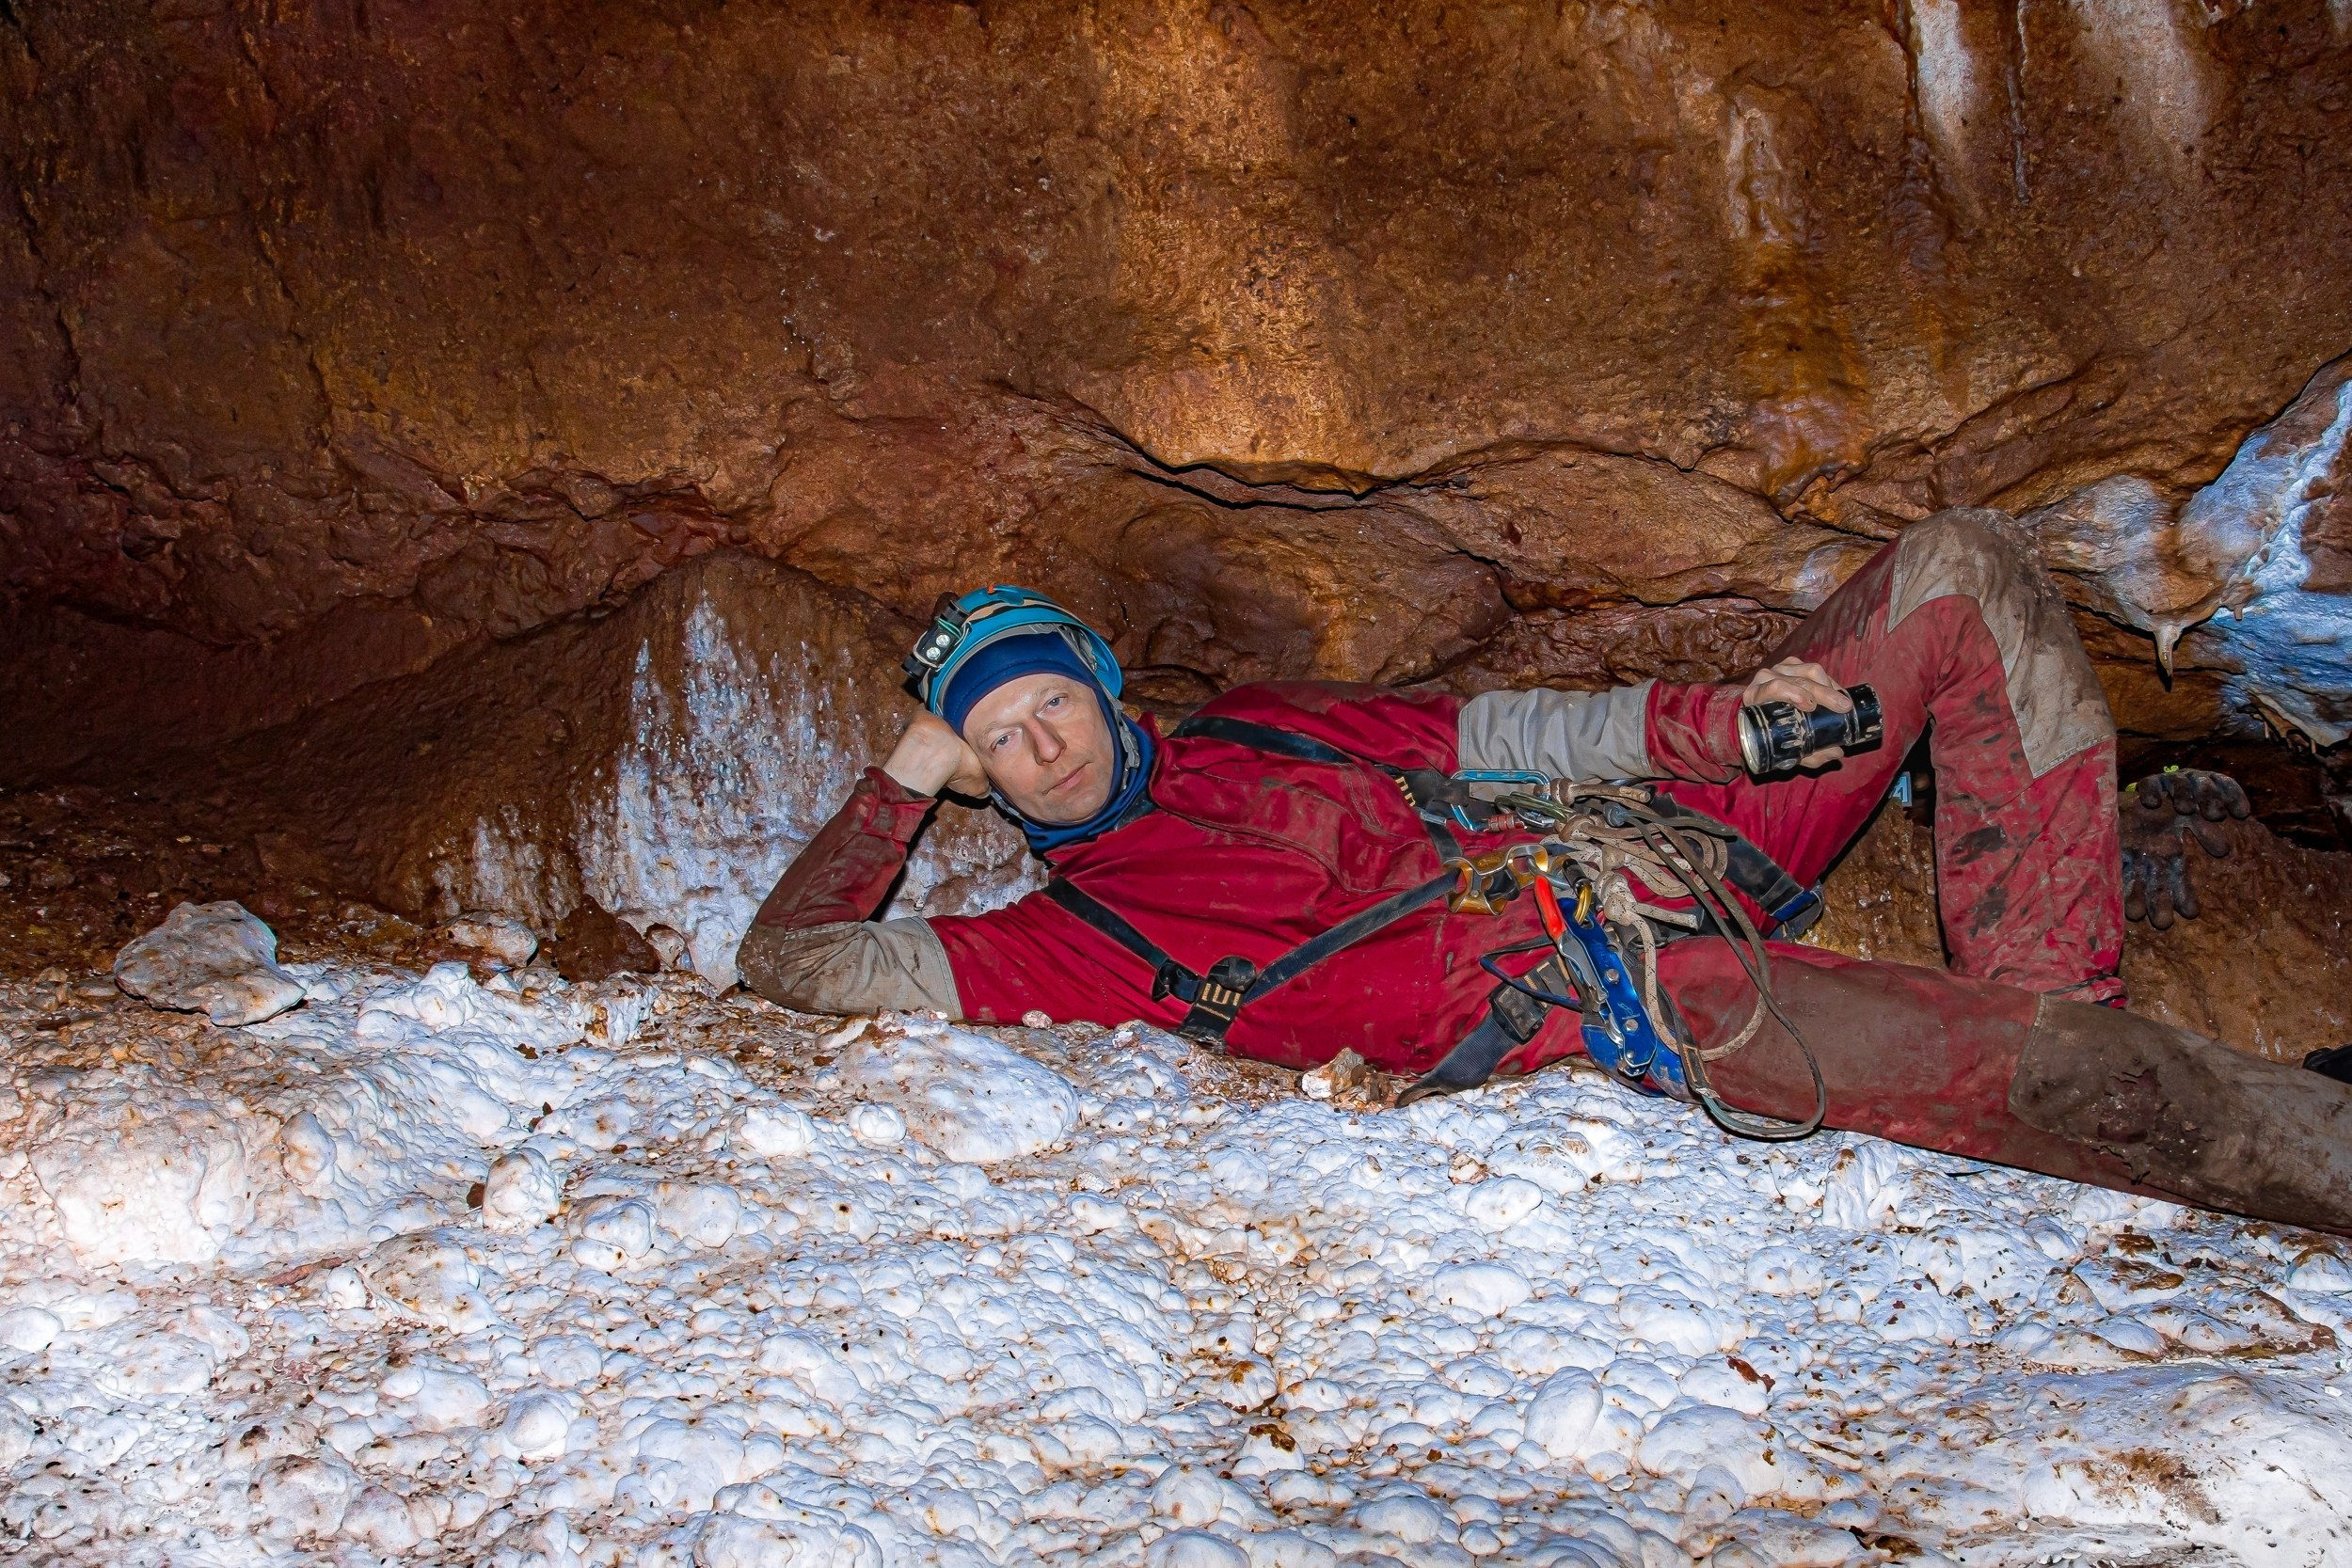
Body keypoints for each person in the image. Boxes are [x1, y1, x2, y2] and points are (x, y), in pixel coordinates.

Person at [739, 509, 2352, 1233]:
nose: (1039, 749)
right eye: (995, 741)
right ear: (979, 776)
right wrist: (900, 780)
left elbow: (1496, 734)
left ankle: (2052, 1014)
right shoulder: (1074, 938)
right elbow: (794, 963)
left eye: (1049, 704)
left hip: (1672, 844)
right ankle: (2112, 1078)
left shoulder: (1267, 730)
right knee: (2094, 1087)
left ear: (1101, 683)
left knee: (1958, 569)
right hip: (1642, 984)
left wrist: (1725, 729)